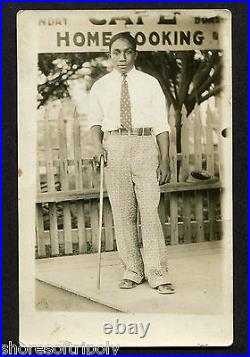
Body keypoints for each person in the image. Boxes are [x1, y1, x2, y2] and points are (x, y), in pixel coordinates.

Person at [88, 32, 175, 294]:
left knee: (149, 212)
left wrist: (165, 160)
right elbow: (95, 122)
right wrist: (98, 146)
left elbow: (161, 125)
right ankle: (132, 271)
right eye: (116, 52)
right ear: (110, 55)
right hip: (114, 146)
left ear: (135, 54)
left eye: (127, 52)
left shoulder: (150, 83)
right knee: (123, 214)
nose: (122, 57)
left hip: (145, 145)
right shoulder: (100, 86)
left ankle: (158, 274)